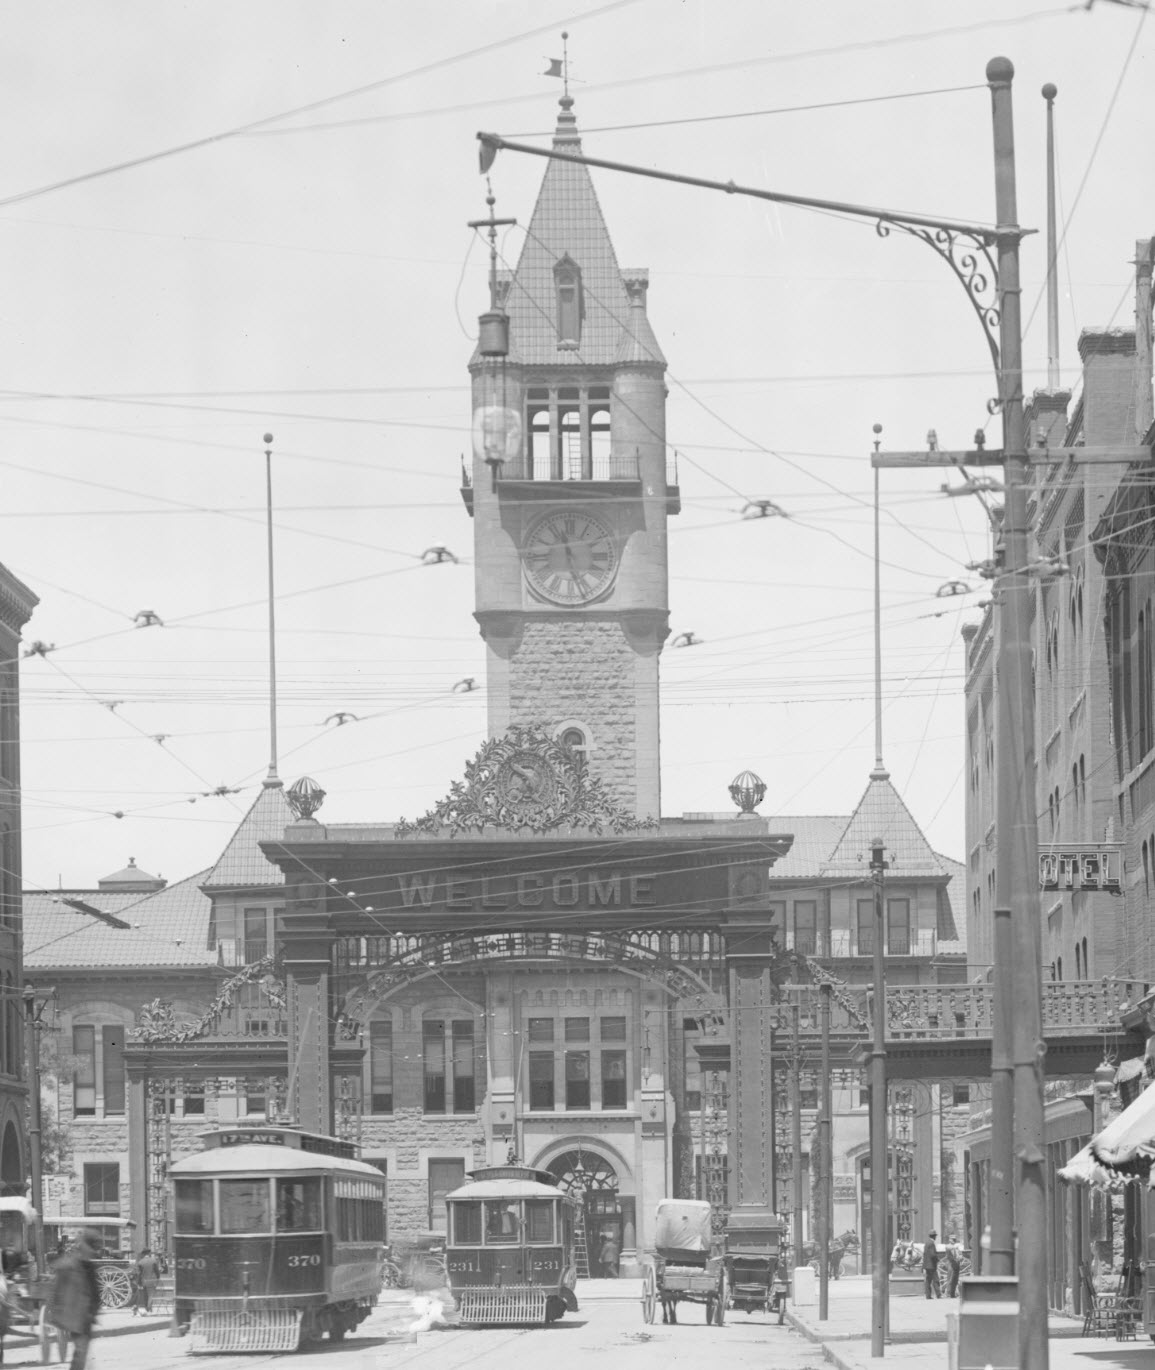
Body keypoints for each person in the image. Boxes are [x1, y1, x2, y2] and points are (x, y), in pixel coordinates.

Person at [47, 1228, 101, 1370]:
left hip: (85, 1318)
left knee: (81, 1353)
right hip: (75, 1316)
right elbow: (56, 1289)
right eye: (90, 1247)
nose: (92, 1252)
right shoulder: (68, 1265)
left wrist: (94, 1312)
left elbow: (95, 1292)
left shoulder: (90, 1267)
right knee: (81, 1352)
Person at [131, 1247, 162, 1315]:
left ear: (143, 1254)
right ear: (149, 1253)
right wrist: (158, 1278)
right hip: (152, 1280)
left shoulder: (141, 1262)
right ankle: (149, 1308)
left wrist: (139, 1282)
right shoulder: (153, 1261)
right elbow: (157, 1272)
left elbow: (139, 1274)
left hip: (144, 1281)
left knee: (145, 1295)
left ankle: (146, 1307)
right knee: (151, 1295)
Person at [922, 1230, 940, 1299]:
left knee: (928, 1281)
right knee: (936, 1280)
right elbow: (933, 1255)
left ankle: (928, 1295)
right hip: (932, 1265)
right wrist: (937, 1260)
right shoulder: (932, 1243)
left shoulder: (927, 1243)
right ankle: (938, 1294)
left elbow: (925, 1254)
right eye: (935, 1236)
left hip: (927, 1265)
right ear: (934, 1236)